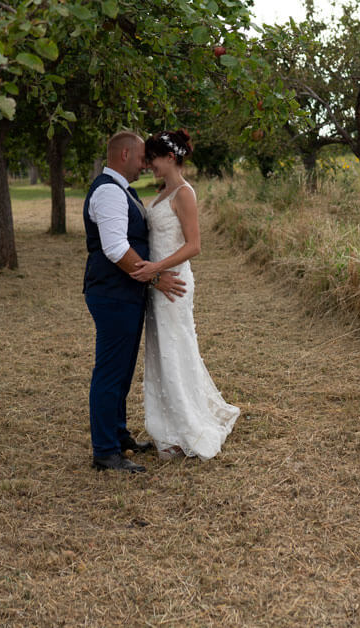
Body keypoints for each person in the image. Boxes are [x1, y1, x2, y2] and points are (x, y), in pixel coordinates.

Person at [130, 130, 239, 460]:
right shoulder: (163, 192)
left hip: (174, 283)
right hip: (158, 282)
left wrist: (156, 269)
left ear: (172, 158)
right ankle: (168, 427)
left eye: (154, 159)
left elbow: (194, 246)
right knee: (162, 351)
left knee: (176, 349)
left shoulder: (184, 193)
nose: (150, 165)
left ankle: (187, 427)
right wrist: (152, 274)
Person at [83, 130, 186, 473]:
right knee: (111, 372)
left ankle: (119, 435)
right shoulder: (110, 193)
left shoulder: (119, 191)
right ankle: (105, 451)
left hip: (123, 293)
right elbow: (114, 249)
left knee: (122, 369)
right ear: (124, 156)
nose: (145, 164)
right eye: (142, 157)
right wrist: (156, 278)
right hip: (113, 294)